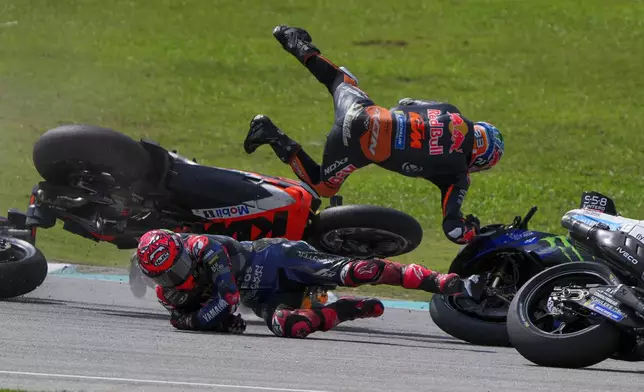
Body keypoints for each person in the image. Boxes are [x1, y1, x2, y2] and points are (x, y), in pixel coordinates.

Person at [244, 25, 505, 245]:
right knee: (322, 186)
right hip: (354, 147)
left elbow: (406, 101)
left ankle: (294, 41)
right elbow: (454, 231)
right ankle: (271, 134)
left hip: (362, 112)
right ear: (479, 161)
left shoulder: (452, 112)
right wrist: (474, 230)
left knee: (338, 80)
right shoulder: (458, 175)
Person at [136, 229, 484, 338]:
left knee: (357, 271)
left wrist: (201, 320)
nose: (178, 276)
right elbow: (196, 320)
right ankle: (344, 310)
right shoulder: (168, 295)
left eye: (178, 265)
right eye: (167, 274)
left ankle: (441, 281)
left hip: (279, 259)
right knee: (292, 326)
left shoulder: (202, 247)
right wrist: (202, 321)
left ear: (183, 250)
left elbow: (225, 298)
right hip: (266, 297)